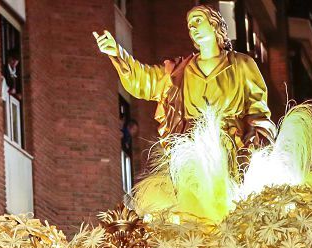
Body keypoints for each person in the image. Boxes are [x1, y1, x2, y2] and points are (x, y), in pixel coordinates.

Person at [94, 5, 275, 149]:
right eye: (190, 25)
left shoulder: (242, 64)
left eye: (198, 20)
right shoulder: (178, 72)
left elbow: (257, 109)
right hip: (193, 151)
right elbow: (145, 80)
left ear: (214, 24)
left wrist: (253, 137)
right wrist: (118, 54)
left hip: (234, 147)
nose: (193, 27)